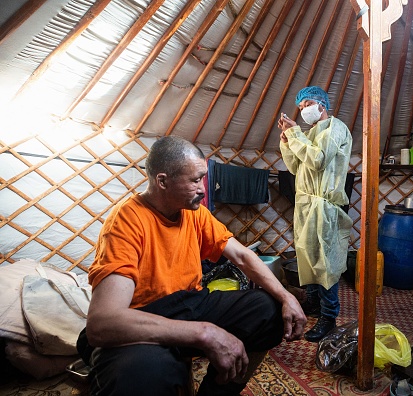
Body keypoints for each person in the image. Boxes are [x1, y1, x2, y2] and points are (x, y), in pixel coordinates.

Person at [77, 136, 307, 396]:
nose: (203, 189)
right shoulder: (127, 221)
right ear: (162, 181)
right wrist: (204, 332)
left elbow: (242, 256)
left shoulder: (194, 212)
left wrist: (286, 296)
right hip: (143, 314)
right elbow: (102, 323)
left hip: (189, 302)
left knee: (268, 309)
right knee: (150, 371)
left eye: (203, 179)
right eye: (195, 180)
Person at [277, 86, 353, 342]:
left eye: (307, 104)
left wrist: (294, 132)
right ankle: (312, 303)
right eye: (299, 108)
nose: (303, 110)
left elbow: (319, 160)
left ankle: (329, 317)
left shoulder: (336, 128)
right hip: (305, 204)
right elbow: (296, 167)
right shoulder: (307, 134)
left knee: (325, 262)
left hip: (324, 206)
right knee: (306, 255)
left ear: (322, 104)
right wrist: (288, 141)